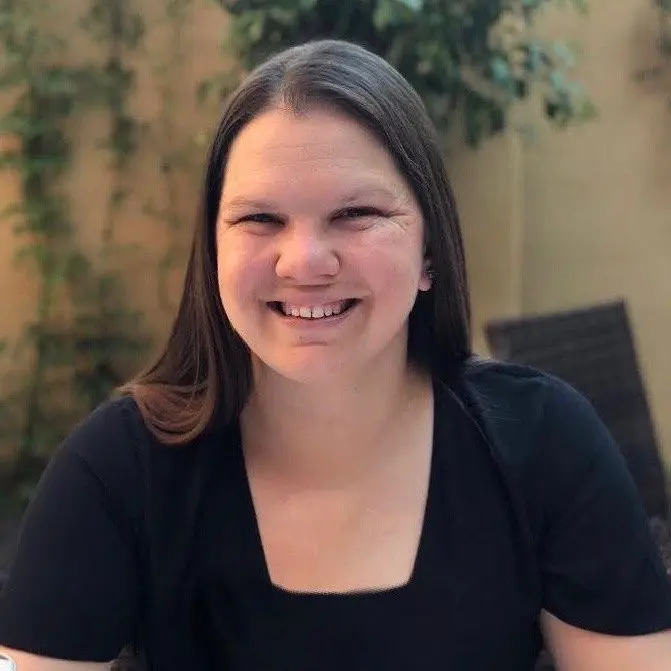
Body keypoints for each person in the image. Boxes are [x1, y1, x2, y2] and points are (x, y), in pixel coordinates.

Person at [0, 39, 670, 671]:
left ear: (429, 250)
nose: (305, 261)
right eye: (260, 219)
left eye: (355, 214)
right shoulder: (118, 470)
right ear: (213, 252)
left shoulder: (542, 443)